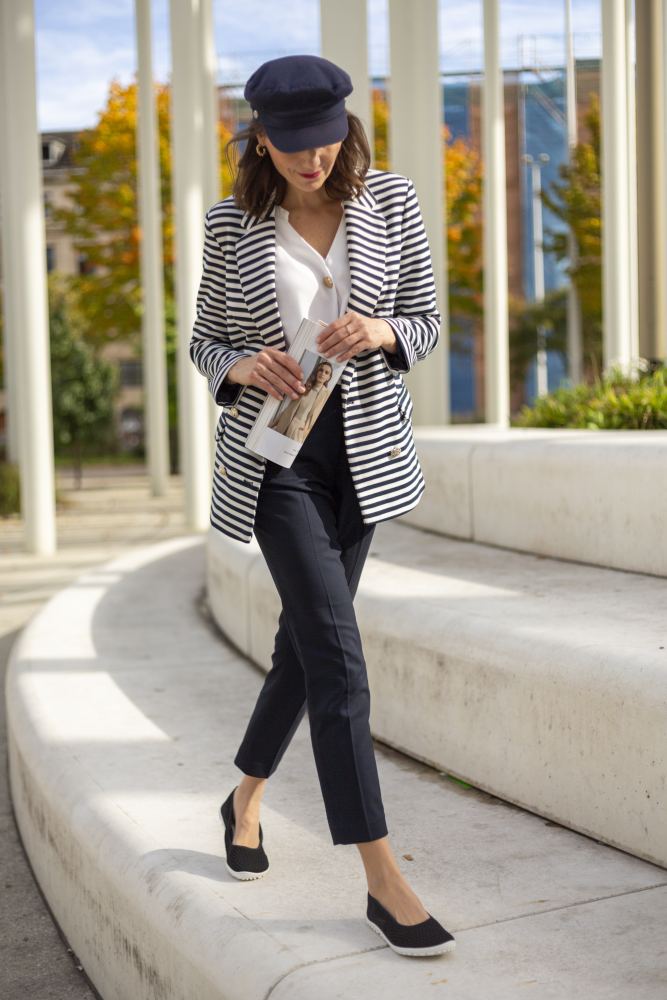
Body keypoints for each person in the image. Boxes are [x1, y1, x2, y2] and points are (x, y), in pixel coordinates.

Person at [190, 53, 455, 957]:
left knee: (302, 655)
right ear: (259, 138)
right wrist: (238, 363)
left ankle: (245, 796)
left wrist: (381, 329)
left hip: (365, 459)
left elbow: (423, 315)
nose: (312, 159)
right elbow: (204, 339)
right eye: (291, 144)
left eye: (326, 139)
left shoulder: (394, 201)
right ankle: (381, 879)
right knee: (339, 661)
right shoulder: (232, 225)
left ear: (349, 124)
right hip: (276, 460)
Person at [269, 359, 333, 441]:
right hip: (284, 425)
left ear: (329, 378)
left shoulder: (327, 395)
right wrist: (273, 423)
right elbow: (289, 409)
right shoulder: (305, 387)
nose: (322, 373)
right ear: (316, 372)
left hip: (299, 432)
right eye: (321, 370)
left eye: (326, 372)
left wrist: (305, 433)